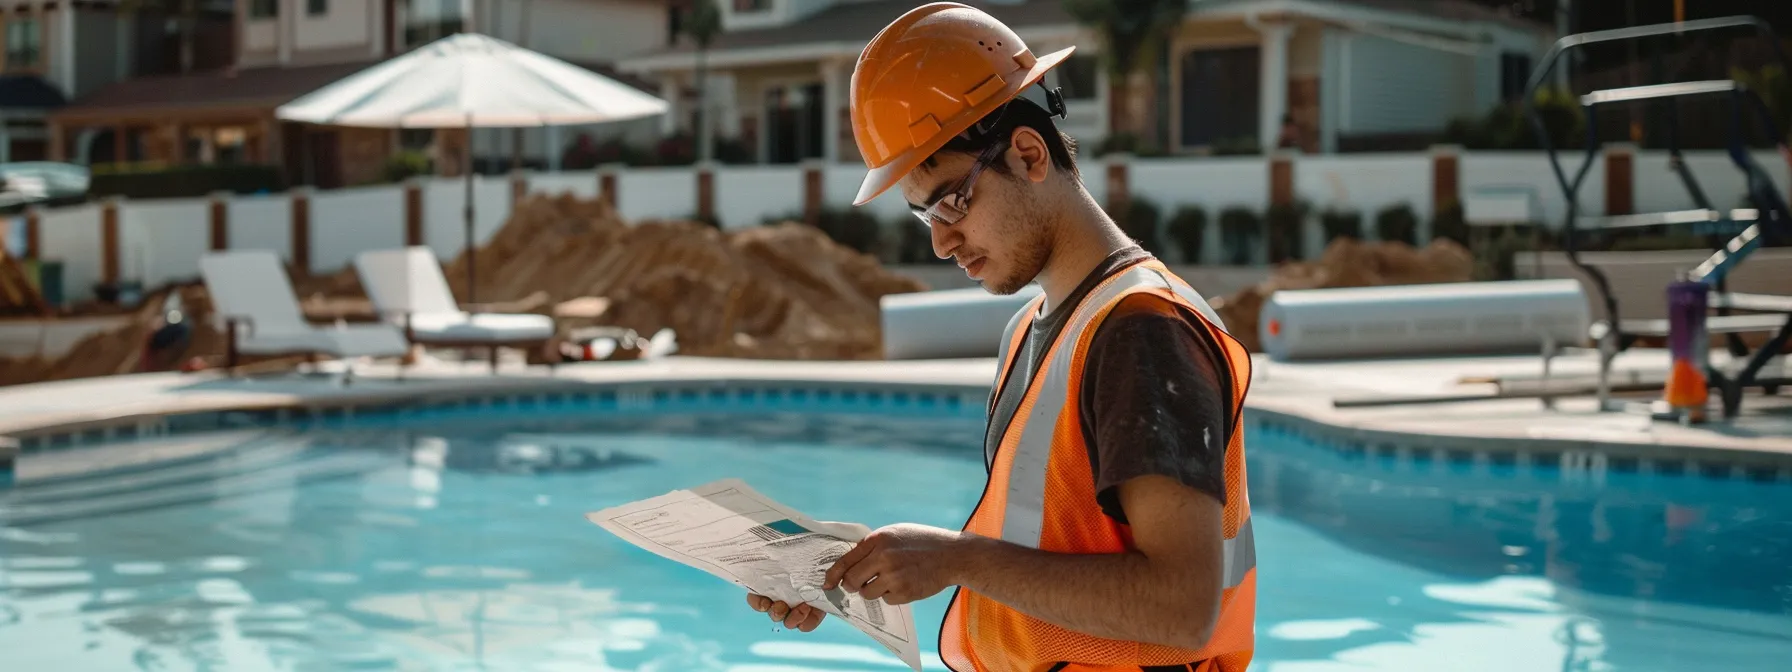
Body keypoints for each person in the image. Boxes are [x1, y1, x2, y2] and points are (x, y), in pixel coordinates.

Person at [746, 3, 1258, 671]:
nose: (940, 240)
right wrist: (866, 574)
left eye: (951, 200)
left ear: (1027, 153)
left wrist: (959, 559)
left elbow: (1182, 609)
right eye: (922, 215)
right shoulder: (1039, 328)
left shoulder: (1141, 330)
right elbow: (1044, 564)